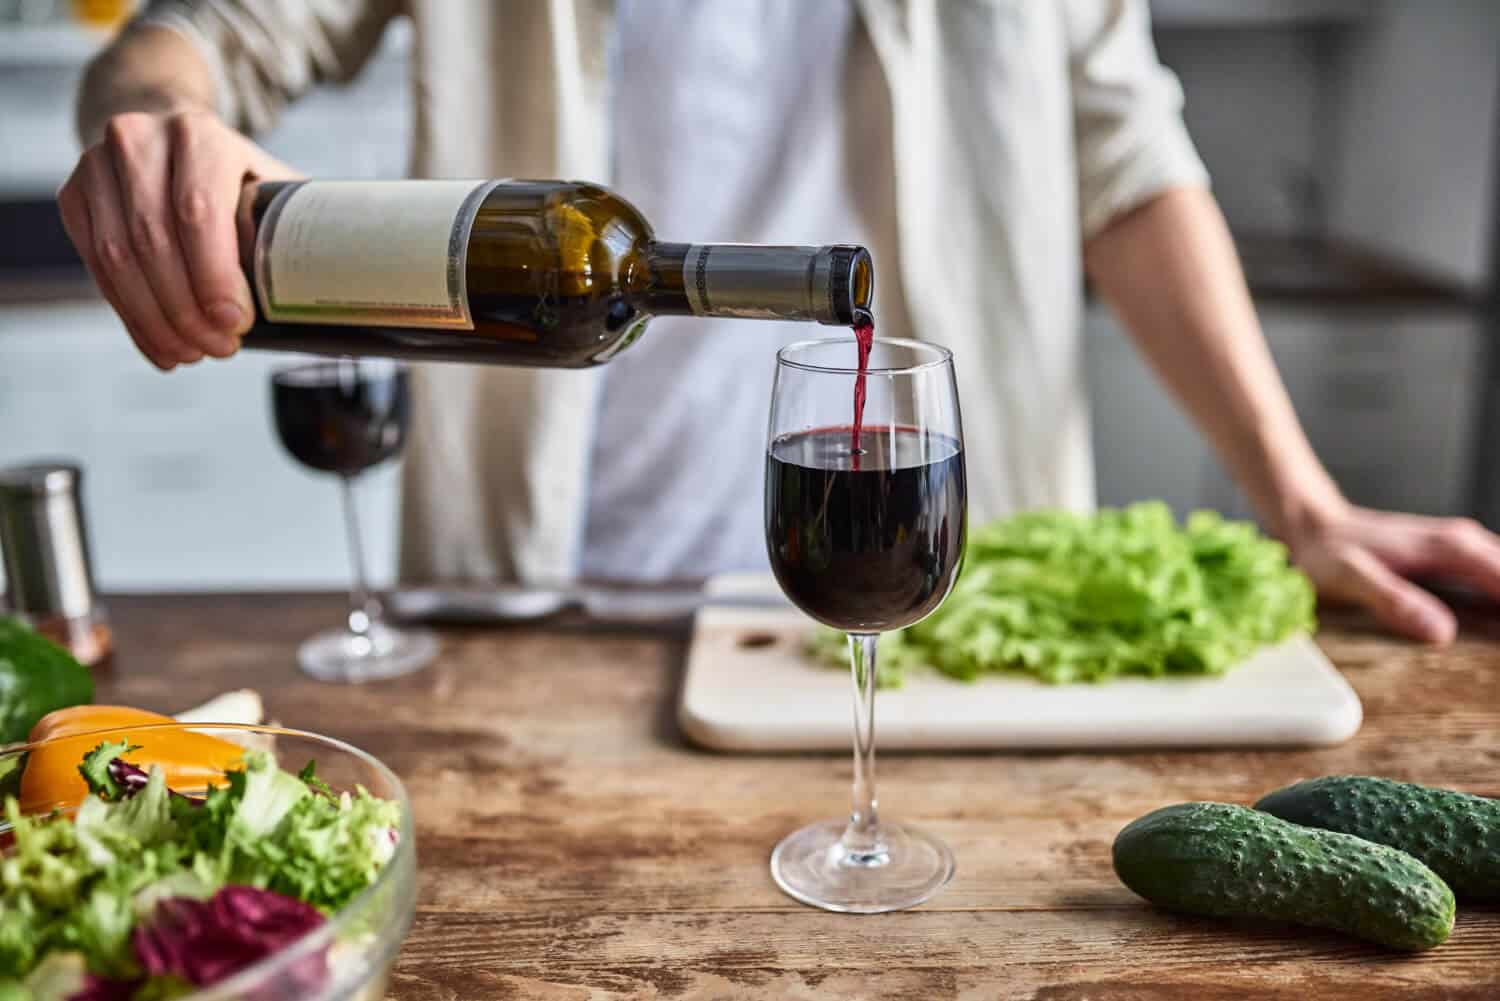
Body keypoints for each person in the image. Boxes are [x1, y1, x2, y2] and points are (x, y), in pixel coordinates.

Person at [60, 0, 1500, 643]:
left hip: (948, 621)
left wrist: (1303, 503)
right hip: (550, 613)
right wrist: (154, 125)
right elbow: (198, 39)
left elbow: (1127, 160)